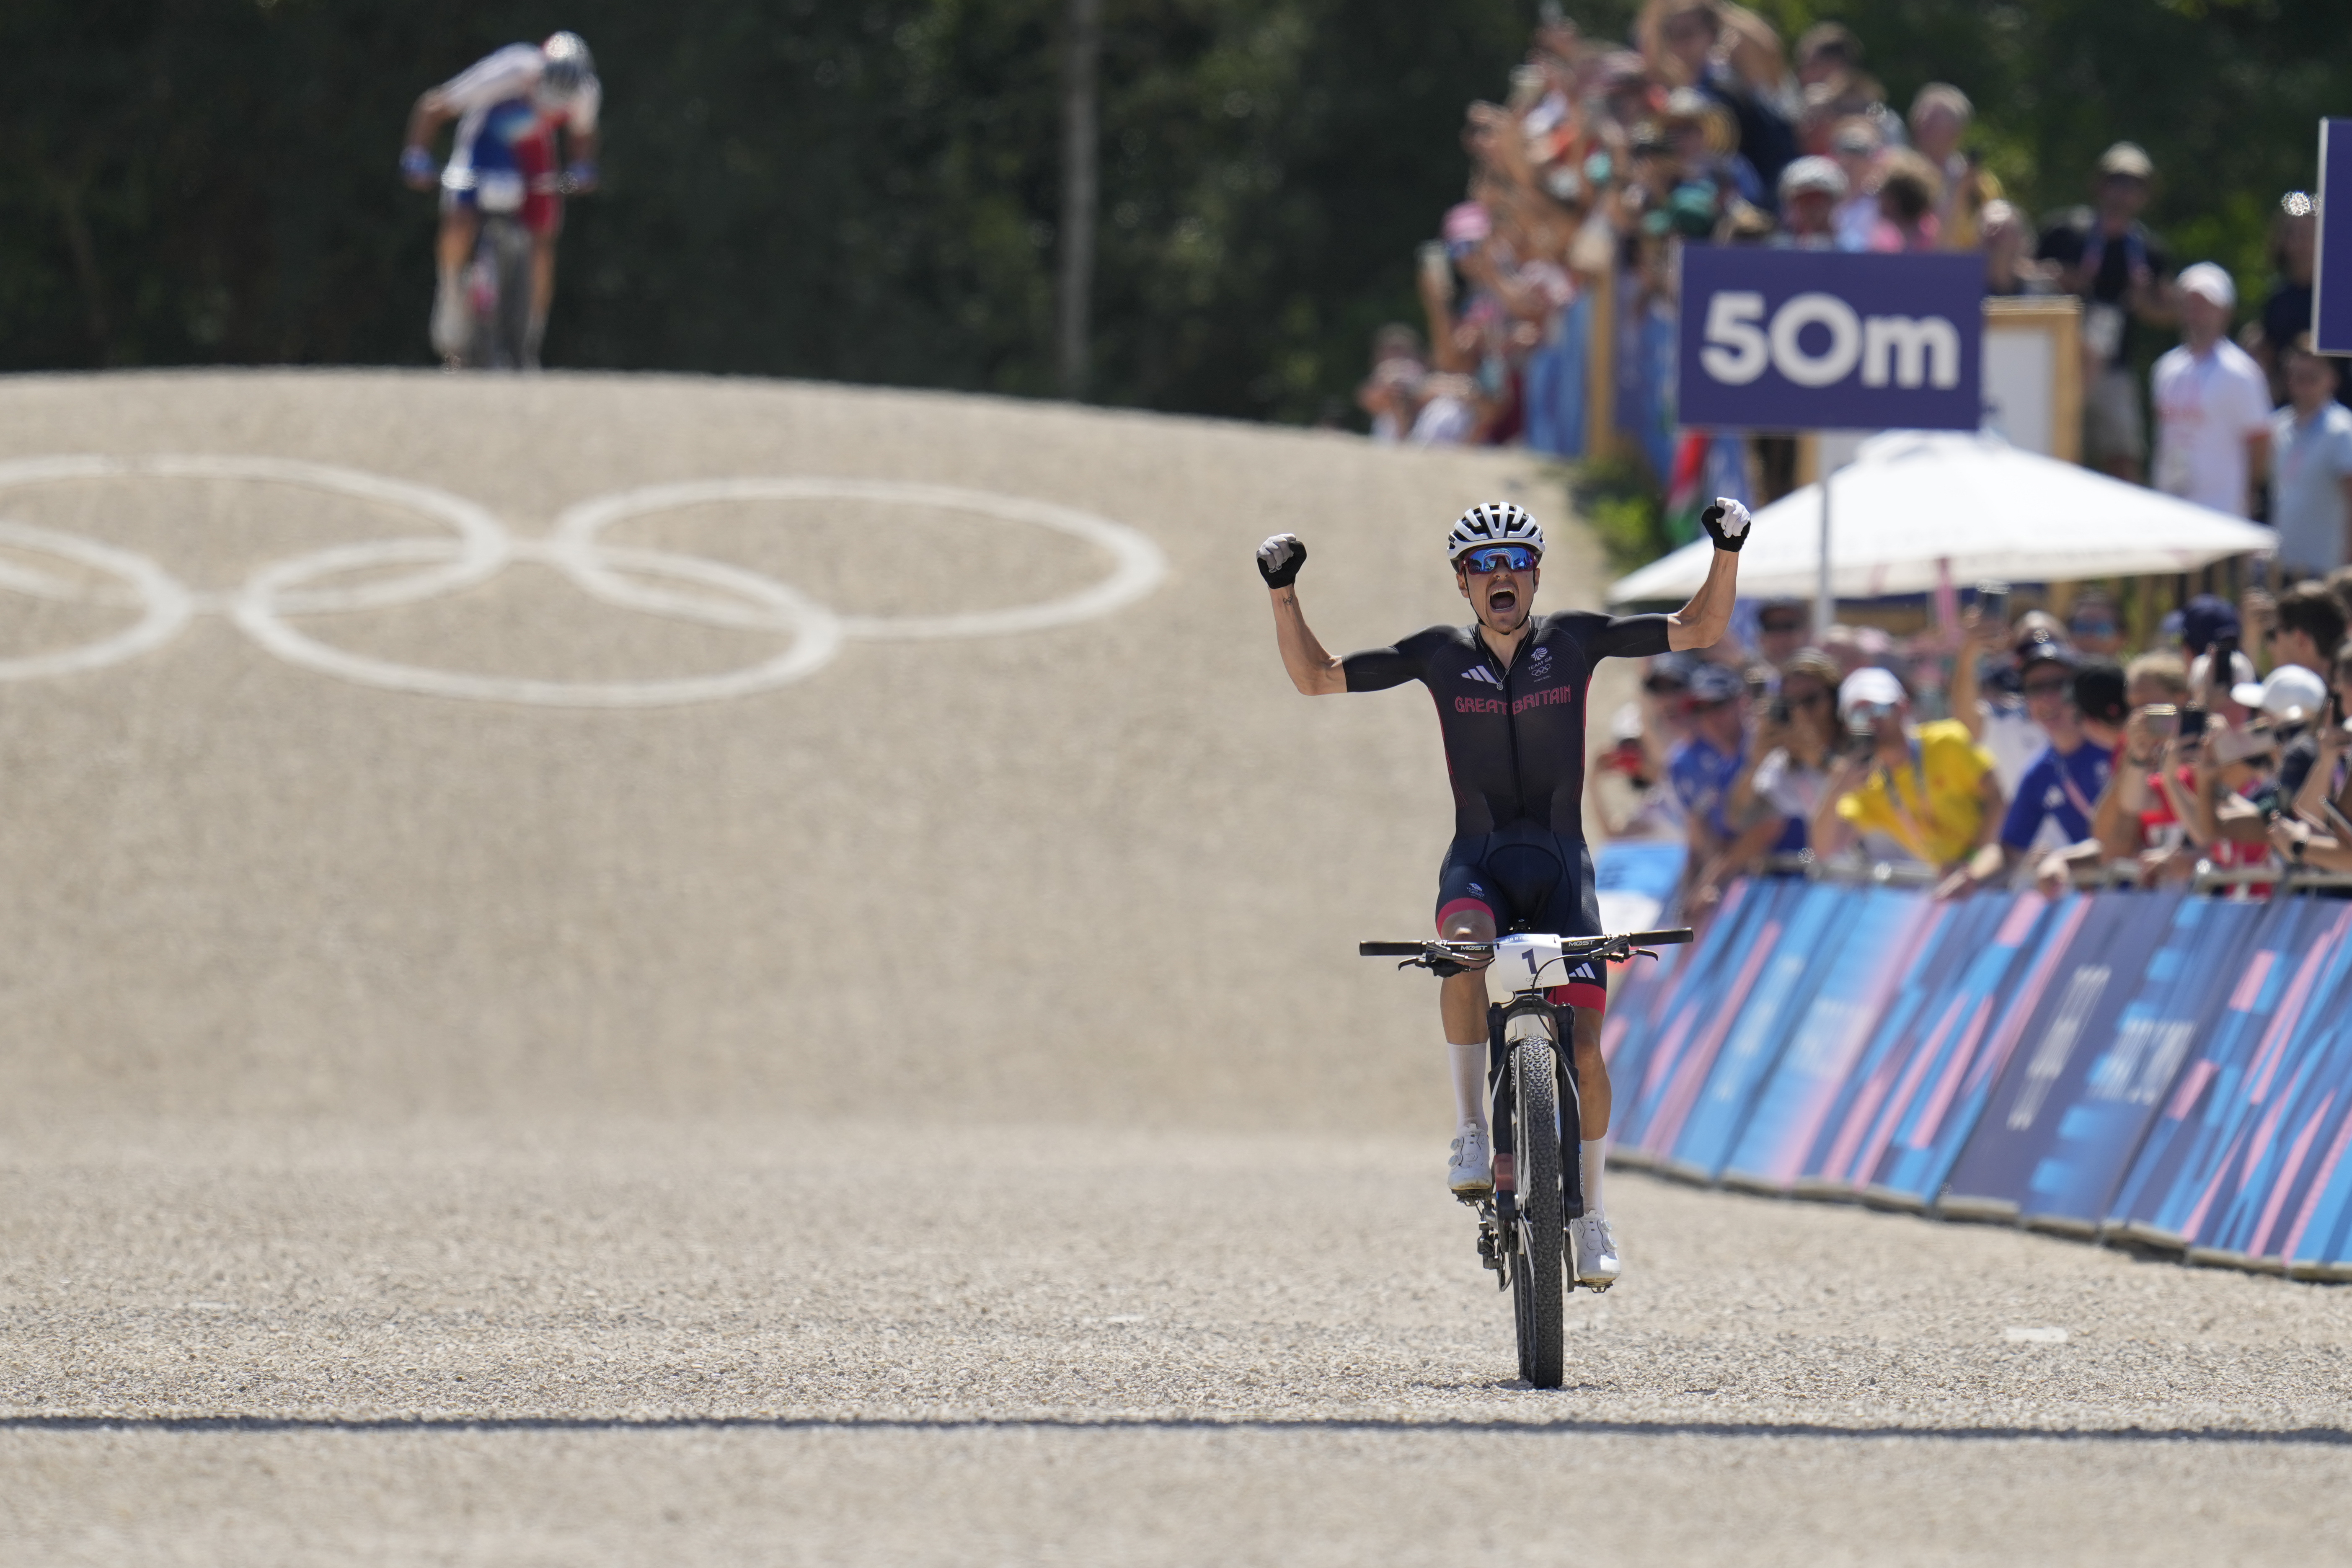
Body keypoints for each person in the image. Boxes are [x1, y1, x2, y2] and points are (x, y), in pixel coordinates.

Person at [1256, 496, 1751, 1288]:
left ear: (1534, 575)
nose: (1499, 576)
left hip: (1561, 867)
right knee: (1458, 945)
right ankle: (1465, 1129)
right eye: (1481, 565)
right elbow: (1315, 678)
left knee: (1587, 1056)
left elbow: (1696, 630)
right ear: (1461, 583)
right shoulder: (1438, 655)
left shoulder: (1575, 639)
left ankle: (1589, 1213)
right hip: (1480, 860)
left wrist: (1727, 548)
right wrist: (1282, 591)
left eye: (1512, 562)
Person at [402, 32, 602, 369]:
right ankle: (451, 295)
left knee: (542, 244)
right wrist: (416, 157)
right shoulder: (508, 71)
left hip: (535, 158)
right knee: (460, 224)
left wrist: (582, 168)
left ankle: (529, 339)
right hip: (484, 150)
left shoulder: (585, 92)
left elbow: (582, 135)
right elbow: (434, 106)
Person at [2037, 142, 2175, 483]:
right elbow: (2024, 275)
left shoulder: (2147, 248)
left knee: (2124, 455)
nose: (2125, 193)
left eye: (2135, 185)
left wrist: (2144, 303)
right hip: (2063, 361)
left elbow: (2171, 311)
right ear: (2100, 185)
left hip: (2115, 367)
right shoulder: (2064, 230)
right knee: (2060, 450)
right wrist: (2059, 280)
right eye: (2118, 181)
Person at [1810, 666, 2005, 886]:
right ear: (1847, 727)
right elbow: (1822, 850)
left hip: (2003, 871)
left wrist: (1972, 861)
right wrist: (1837, 787)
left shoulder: (1946, 741)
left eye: (1879, 709)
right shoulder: (1869, 786)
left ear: (1903, 708)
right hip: (1962, 884)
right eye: (1858, 715)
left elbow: (1998, 799)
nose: (1871, 721)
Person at [1959, 644, 2112, 891]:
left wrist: (2062, 860)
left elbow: (2130, 838)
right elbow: (2008, 851)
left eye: (2059, 685)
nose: (2046, 698)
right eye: (2035, 689)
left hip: (2156, 893)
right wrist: (1971, 877)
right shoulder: (2039, 771)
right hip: (2102, 900)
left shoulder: (2114, 748)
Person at [1697, 648, 1840, 900]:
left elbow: (1870, 792)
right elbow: (1739, 819)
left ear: (1835, 701)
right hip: (1832, 893)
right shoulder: (1785, 764)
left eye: (1810, 700)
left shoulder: (1862, 746)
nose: (1801, 713)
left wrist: (1820, 759)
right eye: (1790, 704)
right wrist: (1755, 761)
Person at [2150, 263, 2271, 519]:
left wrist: (2249, 493)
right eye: (2189, 303)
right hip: (2171, 506)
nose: (2195, 312)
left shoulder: (2239, 373)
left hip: (2221, 509)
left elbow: (2260, 441)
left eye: (2205, 304)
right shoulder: (2166, 368)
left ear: (2225, 312)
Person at [2270, 338, 2352, 579]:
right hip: (2285, 560)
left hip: (2328, 564)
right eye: (2298, 376)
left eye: (2312, 377)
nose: (2304, 384)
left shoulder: (2342, 430)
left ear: (2332, 380)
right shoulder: (2279, 426)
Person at [1669, 662, 1750, 885]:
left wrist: (1714, 878)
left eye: (1718, 705)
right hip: (1749, 882)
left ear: (1742, 703)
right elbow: (1704, 839)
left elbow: (1766, 830)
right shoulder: (1724, 767)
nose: (1709, 718)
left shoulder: (1761, 753)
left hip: (1799, 873)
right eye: (1700, 710)